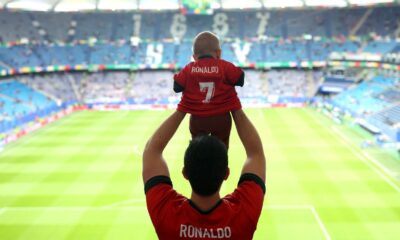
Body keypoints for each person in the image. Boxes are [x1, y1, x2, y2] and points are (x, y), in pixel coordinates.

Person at [142, 109, 266, 240]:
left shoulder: (167, 216)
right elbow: (255, 153)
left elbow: (152, 150)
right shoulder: (243, 215)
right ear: (226, 173)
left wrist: (183, 107)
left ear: (185, 173)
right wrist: (234, 106)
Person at [173, 31, 244, 148]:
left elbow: (177, 86)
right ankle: (222, 165)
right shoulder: (224, 66)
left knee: (197, 148)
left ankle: (197, 165)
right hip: (221, 118)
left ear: (194, 57)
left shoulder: (189, 68)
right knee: (222, 147)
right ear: (219, 53)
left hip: (198, 118)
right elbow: (240, 78)